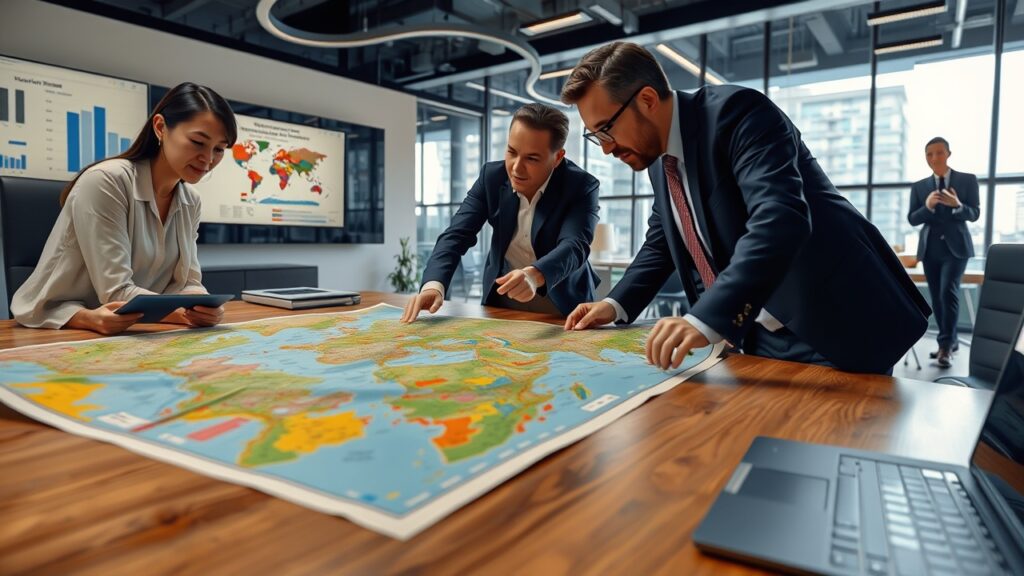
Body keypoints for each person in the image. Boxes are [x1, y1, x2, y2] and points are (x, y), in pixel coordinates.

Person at [559, 42, 930, 375]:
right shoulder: (659, 160)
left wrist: (704, 318)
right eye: (596, 136)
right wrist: (614, 304)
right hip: (754, 330)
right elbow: (662, 243)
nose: (606, 148)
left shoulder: (738, 115)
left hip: (832, 319)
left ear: (647, 100)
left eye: (606, 129)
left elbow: (780, 218)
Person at [11, 82, 237, 335]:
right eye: (197, 142)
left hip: (133, 330)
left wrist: (203, 306)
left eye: (219, 149)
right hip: (60, 326)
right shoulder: (106, 181)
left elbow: (187, 282)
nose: (208, 159)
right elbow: (116, 292)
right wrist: (182, 312)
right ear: (161, 127)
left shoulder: (190, 200)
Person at [402, 103, 600, 323]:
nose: (516, 168)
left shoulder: (581, 185)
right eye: (512, 152)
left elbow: (574, 246)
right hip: (503, 301)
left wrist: (533, 275)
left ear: (557, 157)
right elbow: (456, 235)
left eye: (531, 159)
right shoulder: (491, 177)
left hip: (563, 303)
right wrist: (433, 286)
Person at [908, 137, 980, 368]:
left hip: (956, 248)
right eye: (929, 154)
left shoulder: (967, 180)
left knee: (948, 292)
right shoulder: (919, 187)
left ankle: (945, 346)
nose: (934, 158)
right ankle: (950, 341)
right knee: (937, 297)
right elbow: (912, 219)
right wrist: (927, 206)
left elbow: (975, 213)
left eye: (939, 153)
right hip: (930, 249)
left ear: (948, 154)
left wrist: (957, 205)